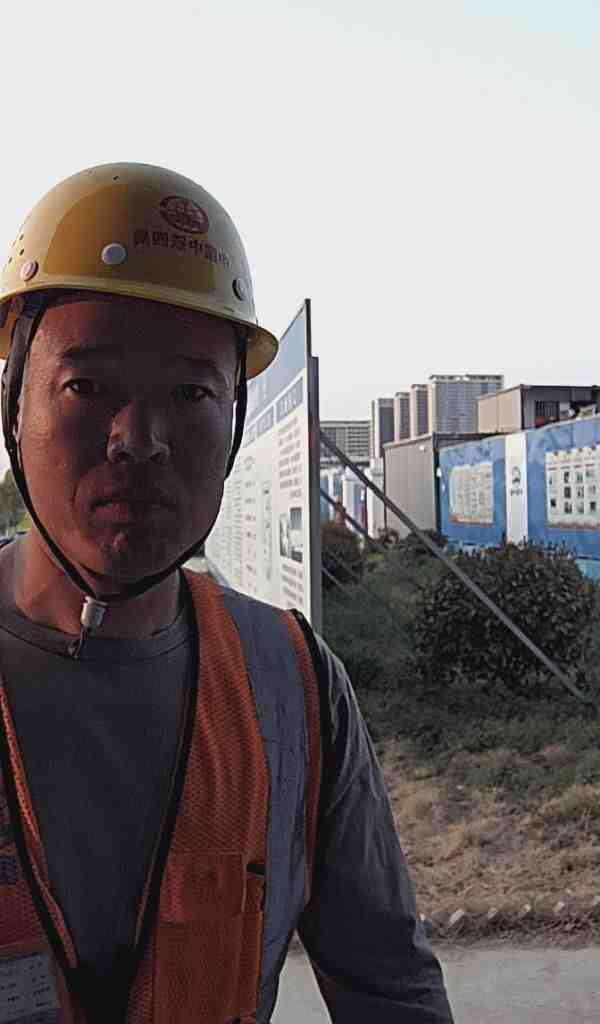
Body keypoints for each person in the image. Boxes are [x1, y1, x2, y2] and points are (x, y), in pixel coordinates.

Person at [0, 163, 454, 1023]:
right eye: (87, 384)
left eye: (190, 392)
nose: (140, 438)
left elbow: (393, 991)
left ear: (236, 419)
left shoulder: (292, 687)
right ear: (12, 403)